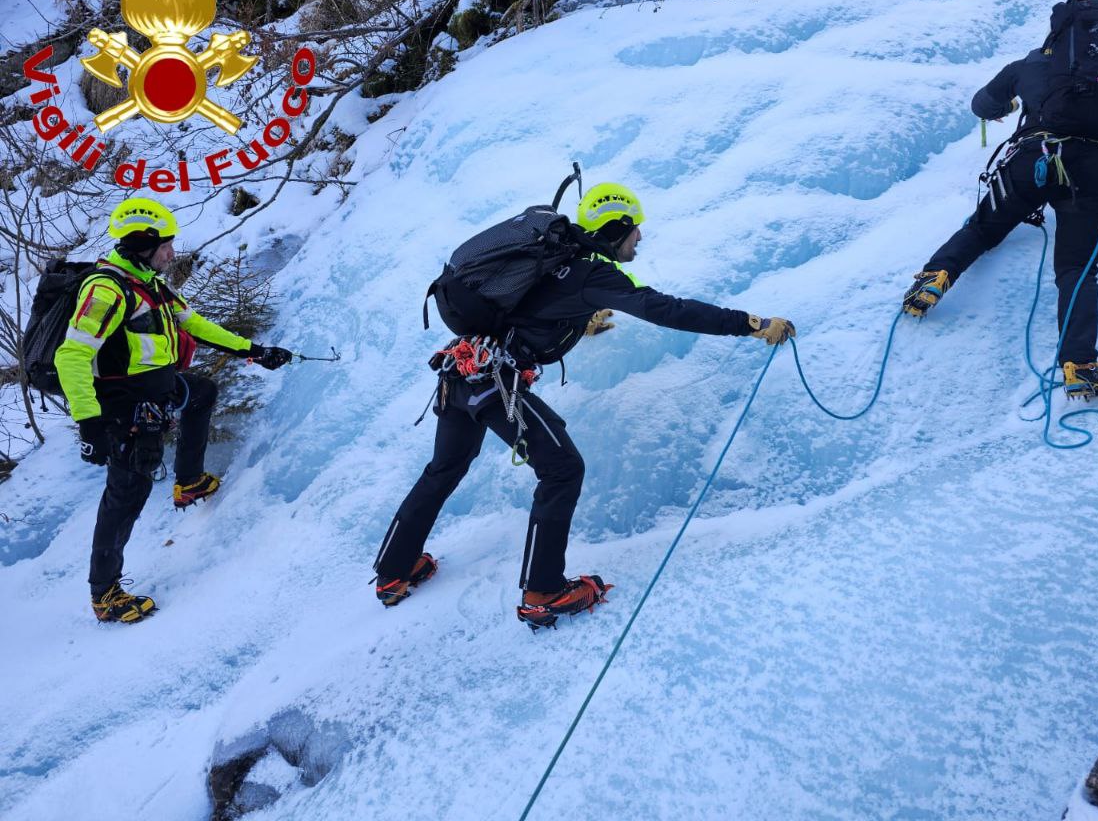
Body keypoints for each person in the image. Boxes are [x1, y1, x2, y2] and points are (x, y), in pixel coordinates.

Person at [373, 182, 796, 628]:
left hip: (458, 374)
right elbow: (667, 310)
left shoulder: (556, 265)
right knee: (562, 468)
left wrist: (581, 320)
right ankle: (542, 593)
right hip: (494, 383)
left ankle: (393, 572)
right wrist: (750, 325)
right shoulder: (590, 275)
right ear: (617, 228)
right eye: (635, 230)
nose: (640, 238)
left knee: (444, 469)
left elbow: (538, 308)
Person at [54, 197, 293, 623]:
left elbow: (192, 323)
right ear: (141, 244)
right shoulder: (107, 290)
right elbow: (71, 357)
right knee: (127, 492)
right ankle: (105, 594)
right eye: (165, 244)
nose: (172, 252)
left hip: (158, 389)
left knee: (200, 391)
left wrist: (254, 351)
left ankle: (190, 482)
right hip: (123, 406)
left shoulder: (150, 281)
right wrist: (89, 424)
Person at [902, 0, 1098, 400]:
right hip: (1094, 169)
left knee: (983, 229)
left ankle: (933, 279)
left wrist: (1010, 102)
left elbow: (982, 104)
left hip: (1035, 160)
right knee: (1078, 268)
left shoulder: (1029, 65)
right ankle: (1079, 366)